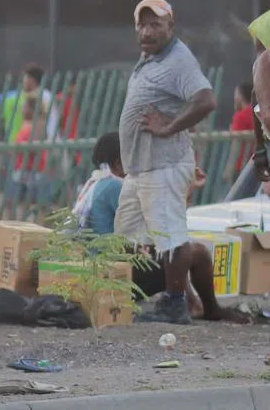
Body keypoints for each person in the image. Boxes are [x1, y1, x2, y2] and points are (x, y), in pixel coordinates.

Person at [115, 0, 217, 325]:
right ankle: (134, 296)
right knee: (128, 236)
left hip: (164, 166)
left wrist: (170, 126)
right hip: (139, 169)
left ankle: (176, 304)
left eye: (155, 24)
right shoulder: (150, 58)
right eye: (142, 24)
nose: (147, 30)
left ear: (170, 26)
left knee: (171, 236)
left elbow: (206, 100)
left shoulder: (178, 60)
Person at [75, 132, 245, 323]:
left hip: (96, 266)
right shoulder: (117, 187)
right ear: (118, 164)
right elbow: (164, 228)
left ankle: (193, 304)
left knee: (174, 250)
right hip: (111, 273)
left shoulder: (94, 184)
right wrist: (187, 187)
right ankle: (205, 308)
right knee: (194, 253)